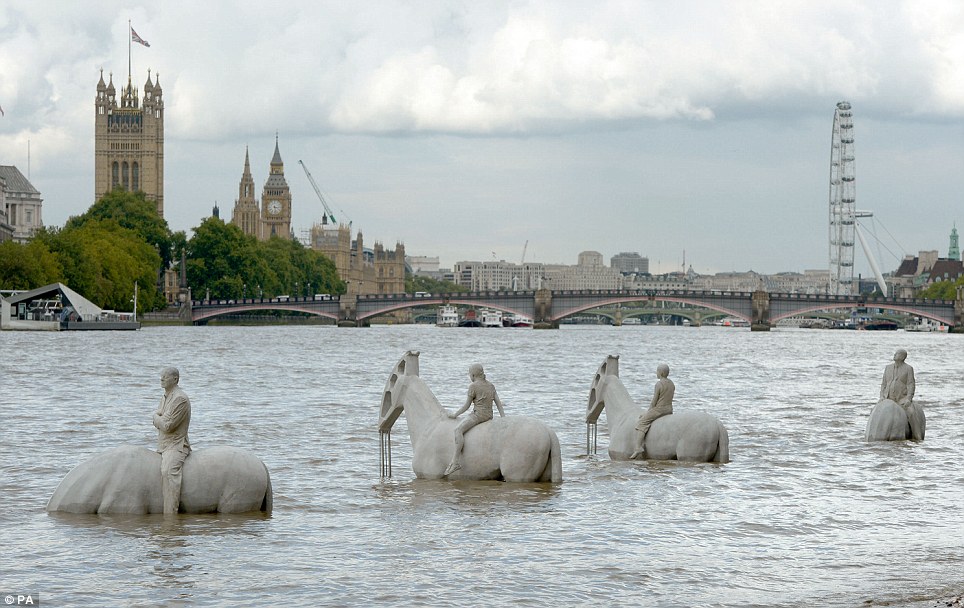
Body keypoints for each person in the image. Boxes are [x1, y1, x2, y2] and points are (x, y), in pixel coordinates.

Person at [443, 364, 505, 476]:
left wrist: (454, 415)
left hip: (478, 416)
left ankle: (455, 461)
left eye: (469, 374)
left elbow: (466, 406)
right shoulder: (491, 385)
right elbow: (498, 404)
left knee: (458, 430)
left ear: (472, 375)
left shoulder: (473, 386)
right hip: (489, 416)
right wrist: (503, 418)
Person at [153, 367, 192, 514]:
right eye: (161, 376)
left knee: (169, 472)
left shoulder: (180, 399)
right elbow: (162, 421)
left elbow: (167, 426)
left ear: (175, 379)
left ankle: (171, 515)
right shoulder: (165, 396)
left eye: (165, 376)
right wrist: (159, 419)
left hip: (176, 446)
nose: (162, 379)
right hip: (163, 445)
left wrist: (155, 417)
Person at [630, 363, 675, 460]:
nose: (656, 373)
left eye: (657, 371)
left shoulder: (659, 384)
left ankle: (638, 447)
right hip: (669, 409)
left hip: (659, 409)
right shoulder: (671, 383)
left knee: (642, 422)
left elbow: (654, 402)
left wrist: (647, 413)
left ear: (661, 373)